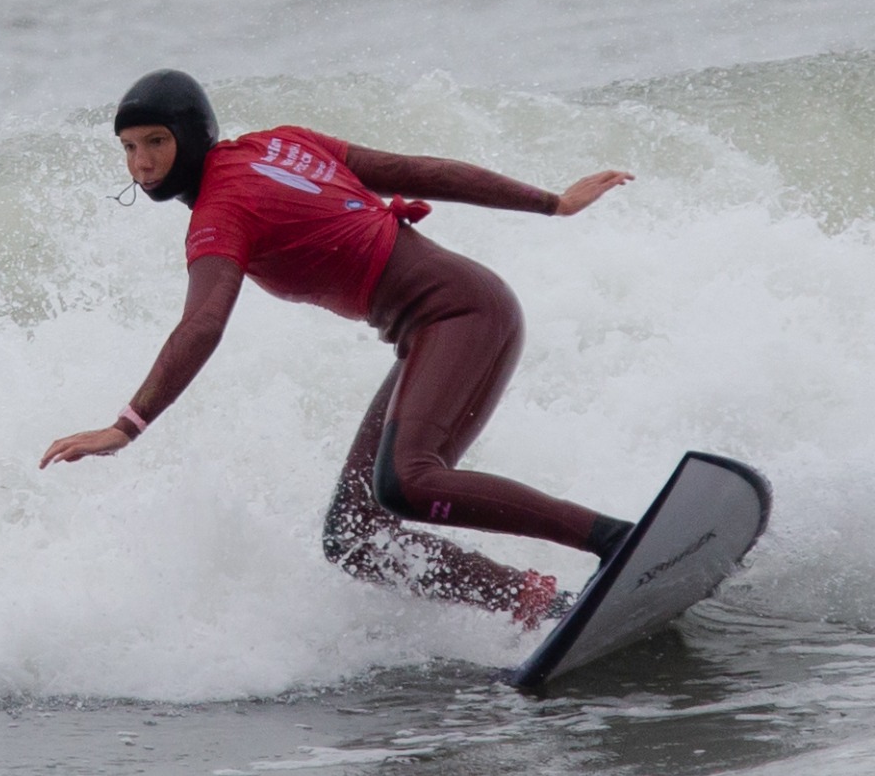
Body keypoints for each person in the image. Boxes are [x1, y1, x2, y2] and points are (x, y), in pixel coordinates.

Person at [40, 69, 638, 627]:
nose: (141, 165)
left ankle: (615, 540)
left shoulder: (221, 210)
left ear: (192, 137)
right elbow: (417, 171)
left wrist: (126, 426)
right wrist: (549, 202)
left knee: (408, 482)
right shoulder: (280, 142)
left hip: (462, 314)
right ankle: (547, 606)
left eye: (155, 143)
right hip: (439, 325)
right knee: (355, 534)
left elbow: (202, 324)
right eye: (127, 149)